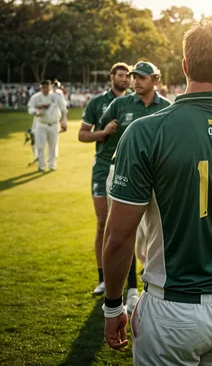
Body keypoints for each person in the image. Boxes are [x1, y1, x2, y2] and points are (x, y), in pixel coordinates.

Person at [102, 21, 212, 365]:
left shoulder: (146, 131)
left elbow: (118, 238)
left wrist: (112, 306)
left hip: (171, 307)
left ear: (185, 66)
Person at [99, 60, 171, 314]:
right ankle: (130, 290)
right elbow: (100, 132)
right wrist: (105, 132)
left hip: (157, 181)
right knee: (123, 233)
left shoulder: (168, 108)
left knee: (153, 235)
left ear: (156, 79)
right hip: (123, 176)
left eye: (142, 77)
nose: (136, 81)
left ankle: (151, 286)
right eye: (133, 77)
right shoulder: (120, 104)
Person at [78, 63, 131, 296]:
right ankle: (102, 278)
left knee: (127, 228)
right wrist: (103, 132)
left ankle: (130, 284)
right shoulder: (97, 102)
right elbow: (82, 134)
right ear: (112, 77)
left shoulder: (134, 102)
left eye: (128, 76)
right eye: (121, 76)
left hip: (127, 170)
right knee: (102, 223)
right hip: (101, 168)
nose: (125, 80)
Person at [27, 80, 67, 171]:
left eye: (47, 87)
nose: (45, 89)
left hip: (53, 124)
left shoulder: (56, 97)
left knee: (52, 146)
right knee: (40, 146)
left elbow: (63, 109)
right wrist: (36, 112)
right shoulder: (36, 97)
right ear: (41, 87)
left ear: (50, 87)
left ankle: (52, 165)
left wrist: (63, 121)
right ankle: (41, 166)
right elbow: (30, 108)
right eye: (43, 87)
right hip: (41, 124)